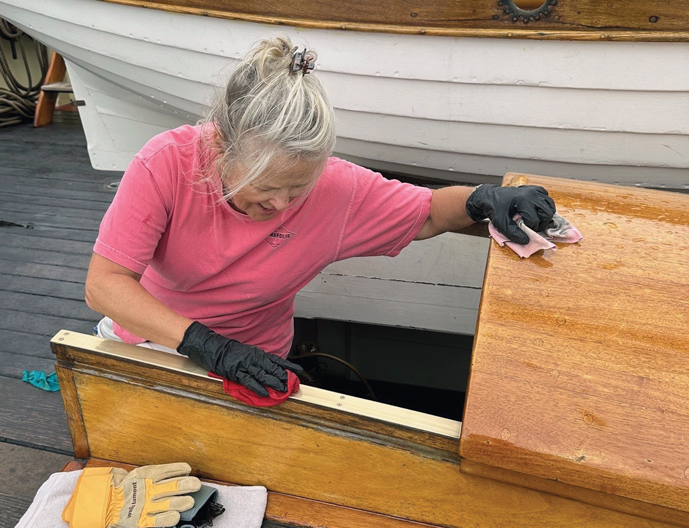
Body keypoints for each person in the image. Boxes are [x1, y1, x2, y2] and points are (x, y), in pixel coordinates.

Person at [85, 37, 555, 398]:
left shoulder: (336, 187)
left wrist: (484, 199)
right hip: (151, 345)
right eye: (266, 188)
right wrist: (211, 348)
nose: (283, 206)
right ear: (221, 150)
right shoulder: (166, 162)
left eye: (298, 187)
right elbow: (105, 284)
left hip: (261, 366)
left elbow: (429, 212)